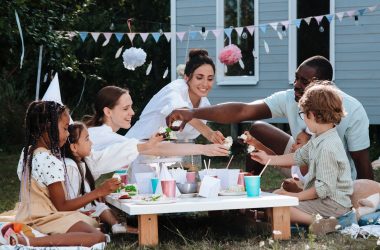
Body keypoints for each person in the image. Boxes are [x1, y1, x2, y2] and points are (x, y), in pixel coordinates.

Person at [166, 55, 373, 180]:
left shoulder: (352, 110)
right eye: (295, 78)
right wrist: (193, 112)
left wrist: (367, 200)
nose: (296, 85)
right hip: (301, 160)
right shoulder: (290, 98)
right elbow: (243, 110)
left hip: (332, 176)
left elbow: (362, 164)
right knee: (256, 129)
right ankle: (251, 196)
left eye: (303, 81)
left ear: (322, 85)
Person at [251, 83, 353, 236]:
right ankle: (309, 220)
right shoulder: (320, 138)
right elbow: (298, 156)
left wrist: (295, 197)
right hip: (327, 201)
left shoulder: (327, 147)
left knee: (280, 206)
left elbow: (322, 189)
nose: (303, 119)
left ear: (312, 114)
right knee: (278, 195)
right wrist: (268, 159)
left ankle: (322, 224)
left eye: (303, 114)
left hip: (333, 205)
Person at [84, 85, 229, 182]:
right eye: (125, 108)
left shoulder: (100, 133)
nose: (132, 112)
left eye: (131, 107)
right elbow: (154, 148)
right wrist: (204, 149)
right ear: (108, 111)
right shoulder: (104, 135)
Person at [14, 101, 109, 247]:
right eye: (65, 128)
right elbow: (62, 206)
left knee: (90, 223)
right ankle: (33, 242)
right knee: (98, 237)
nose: (67, 134)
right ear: (47, 127)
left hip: (26, 214)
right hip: (44, 219)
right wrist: (99, 192)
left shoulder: (27, 153)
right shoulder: (50, 161)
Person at [125, 48, 225, 143]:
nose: (205, 84)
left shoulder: (205, 104)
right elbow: (181, 112)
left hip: (166, 155)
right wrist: (209, 133)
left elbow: (185, 139)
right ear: (186, 77)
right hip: (136, 146)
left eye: (210, 79)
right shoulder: (176, 88)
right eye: (199, 77)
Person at [64, 122, 141, 235]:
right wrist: (98, 192)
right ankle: (110, 225)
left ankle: (115, 225)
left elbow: (83, 194)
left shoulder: (81, 163)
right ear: (74, 147)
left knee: (102, 206)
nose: (92, 143)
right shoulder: (70, 166)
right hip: (74, 213)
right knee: (99, 208)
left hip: (84, 209)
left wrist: (100, 192)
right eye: (87, 139)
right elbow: (72, 202)